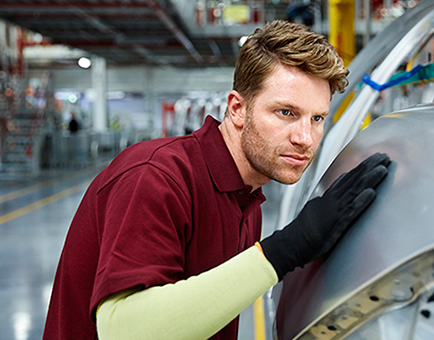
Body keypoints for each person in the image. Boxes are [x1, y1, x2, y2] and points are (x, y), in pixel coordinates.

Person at [43, 20, 390, 340]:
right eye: (286, 113)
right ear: (237, 109)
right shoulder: (156, 177)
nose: (305, 137)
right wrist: (288, 247)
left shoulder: (246, 199)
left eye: (317, 118)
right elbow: (124, 329)